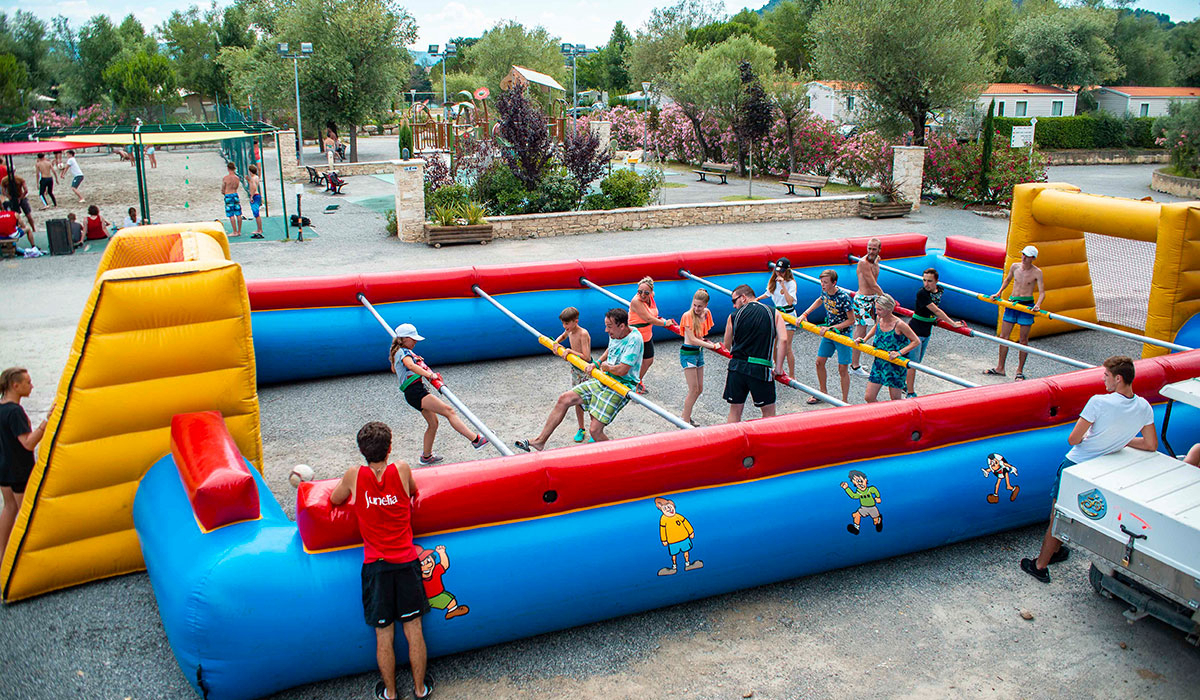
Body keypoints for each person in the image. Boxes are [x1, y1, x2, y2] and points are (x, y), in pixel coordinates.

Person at [1020, 356, 1157, 584]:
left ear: (1118, 378)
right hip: (1101, 470)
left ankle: (1040, 565)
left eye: (1106, 376)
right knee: (1075, 512)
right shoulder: (1143, 406)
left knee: (1058, 515)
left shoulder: (1099, 402)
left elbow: (1073, 439)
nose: (1104, 380)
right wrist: (1121, 440)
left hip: (1077, 464)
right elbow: (1151, 444)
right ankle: (1058, 550)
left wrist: (1095, 437)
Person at [329, 422, 433, 700]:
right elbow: (412, 492)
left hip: (376, 566)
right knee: (414, 629)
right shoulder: (401, 469)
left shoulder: (353, 475)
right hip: (406, 562)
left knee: (383, 634)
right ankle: (421, 690)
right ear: (390, 447)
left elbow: (334, 498)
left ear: (361, 450)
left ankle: (390, 692)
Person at [516, 308, 643, 450]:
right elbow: (611, 348)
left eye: (609, 327)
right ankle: (540, 441)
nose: (606, 330)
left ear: (622, 326)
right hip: (604, 377)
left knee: (595, 431)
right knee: (565, 398)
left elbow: (622, 370)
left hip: (621, 385)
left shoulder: (634, 340)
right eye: (606, 326)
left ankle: (620, 458)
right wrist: (598, 363)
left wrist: (606, 367)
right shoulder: (616, 333)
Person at [388, 323, 488, 466]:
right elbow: (410, 366)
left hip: (413, 392)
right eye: (413, 339)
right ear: (403, 339)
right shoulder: (403, 352)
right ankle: (476, 440)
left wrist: (414, 360)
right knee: (449, 411)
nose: (415, 342)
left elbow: (395, 369)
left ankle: (426, 456)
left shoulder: (398, 352)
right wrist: (430, 375)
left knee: (433, 423)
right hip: (415, 391)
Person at [1, 368, 51, 556]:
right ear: (16, 385)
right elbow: (28, 444)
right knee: (27, 515)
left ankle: (2, 555)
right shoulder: (15, 412)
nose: (32, 386)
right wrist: (46, 422)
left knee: (9, 508)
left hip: (4, 469)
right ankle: (24, 557)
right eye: (28, 382)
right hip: (19, 471)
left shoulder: (1, 408)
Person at [723, 283, 789, 423]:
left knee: (735, 411)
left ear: (743, 298)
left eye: (734, 301)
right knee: (768, 413)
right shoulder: (774, 313)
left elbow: (726, 345)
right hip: (761, 368)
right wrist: (778, 368)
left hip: (736, 367)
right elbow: (783, 340)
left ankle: (731, 444)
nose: (734, 306)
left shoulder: (733, 316)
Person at [798, 270, 857, 405]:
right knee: (819, 362)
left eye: (825, 282)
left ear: (834, 283)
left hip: (843, 335)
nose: (822, 285)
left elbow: (851, 320)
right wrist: (805, 314)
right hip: (829, 333)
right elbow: (820, 300)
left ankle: (844, 401)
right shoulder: (824, 292)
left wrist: (832, 328)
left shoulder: (843, 297)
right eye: (821, 282)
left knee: (842, 368)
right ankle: (823, 393)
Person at [986, 245, 1045, 381]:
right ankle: (1000, 367)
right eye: (1023, 254)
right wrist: (998, 292)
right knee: (1003, 336)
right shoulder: (1015, 267)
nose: (1024, 258)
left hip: (1026, 305)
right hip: (1012, 303)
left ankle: (1019, 371)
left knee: (1023, 340)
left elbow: (1042, 292)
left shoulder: (1037, 272)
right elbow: (1007, 280)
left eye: (1027, 256)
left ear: (1033, 258)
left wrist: (1038, 305)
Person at [905, 268, 966, 398]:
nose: (926, 284)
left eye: (930, 281)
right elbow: (936, 310)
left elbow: (934, 312)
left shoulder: (940, 291)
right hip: (916, 330)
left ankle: (903, 382)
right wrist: (952, 324)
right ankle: (909, 392)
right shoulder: (922, 293)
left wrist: (935, 319)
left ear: (936, 281)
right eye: (924, 280)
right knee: (913, 364)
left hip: (927, 330)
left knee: (917, 361)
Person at [861, 294, 920, 403]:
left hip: (895, 365)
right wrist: (864, 339)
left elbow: (916, 341)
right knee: (869, 396)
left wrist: (899, 353)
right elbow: (876, 327)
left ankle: (897, 417)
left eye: (879, 309)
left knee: (895, 400)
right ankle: (883, 415)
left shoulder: (900, 325)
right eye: (876, 309)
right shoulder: (880, 318)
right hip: (879, 362)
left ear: (888, 309)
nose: (877, 312)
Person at [679, 289, 721, 427]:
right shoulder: (687, 315)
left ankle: (686, 416)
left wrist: (707, 343)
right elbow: (691, 339)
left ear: (706, 305)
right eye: (695, 305)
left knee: (699, 388)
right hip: (688, 353)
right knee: (693, 389)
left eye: (699, 306)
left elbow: (700, 336)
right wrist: (712, 346)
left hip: (699, 351)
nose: (696, 308)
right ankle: (684, 420)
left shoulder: (707, 314)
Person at [552, 307, 593, 443]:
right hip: (575, 370)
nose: (565, 327)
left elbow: (586, 357)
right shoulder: (569, 330)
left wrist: (570, 351)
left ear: (576, 321)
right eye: (563, 324)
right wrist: (556, 343)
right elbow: (564, 335)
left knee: (591, 400)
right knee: (577, 400)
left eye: (567, 324)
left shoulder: (583, 334)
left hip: (586, 370)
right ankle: (581, 428)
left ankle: (594, 430)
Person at [627, 277, 670, 394]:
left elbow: (651, 315)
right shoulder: (636, 301)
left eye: (646, 292)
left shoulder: (651, 297)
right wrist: (665, 323)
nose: (642, 295)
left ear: (651, 292)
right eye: (639, 291)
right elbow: (648, 318)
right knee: (636, 362)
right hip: (637, 336)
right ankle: (633, 385)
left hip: (647, 335)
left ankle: (636, 381)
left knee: (648, 360)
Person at [849, 238, 884, 378]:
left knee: (865, 331)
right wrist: (886, 298)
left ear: (879, 250)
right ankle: (854, 366)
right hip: (863, 300)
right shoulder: (863, 262)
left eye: (874, 249)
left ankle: (856, 363)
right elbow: (872, 284)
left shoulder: (876, 259)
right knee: (860, 332)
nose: (870, 251)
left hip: (870, 299)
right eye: (869, 248)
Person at [757, 258, 797, 378]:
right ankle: (776, 367)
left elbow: (790, 302)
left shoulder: (791, 284)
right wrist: (757, 299)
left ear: (787, 271)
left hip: (789, 315)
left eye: (782, 272)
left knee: (787, 346)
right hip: (778, 315)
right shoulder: (773, 282)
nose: (779, 274)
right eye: (778, 271)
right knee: (774, 342)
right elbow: (768, 293)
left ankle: (792, 375)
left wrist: (783, 285)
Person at [222, 162, 243, 237]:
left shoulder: (225, 178)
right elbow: (236, 187)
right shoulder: (237, 178)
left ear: (228, 168)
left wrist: (224, 192)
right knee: (238, 213)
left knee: (231, 214)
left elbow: (223, 188)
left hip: (228, 195)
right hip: (235, 194)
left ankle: (234, 231)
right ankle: (239, 231)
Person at [247, 165, 264, 239]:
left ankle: (259, 229)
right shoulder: (256, 177)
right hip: (257, 195)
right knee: (257, 213)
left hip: (255, 195)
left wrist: (251, 196)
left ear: (250, 171)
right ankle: (259, 229)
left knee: (256, 213)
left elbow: (253, 187)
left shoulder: (253, 178)